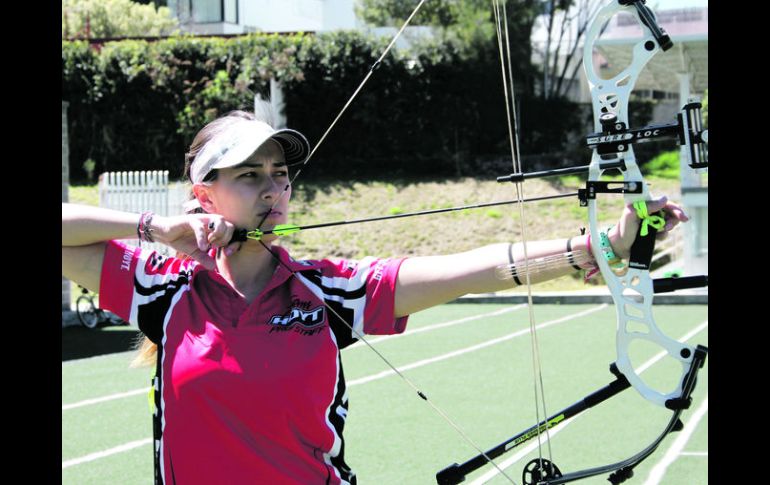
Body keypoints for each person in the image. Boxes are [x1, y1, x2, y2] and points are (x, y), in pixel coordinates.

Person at [61, 106, 689, 485]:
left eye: (279, 174)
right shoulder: (162, 287)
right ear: (205, 196)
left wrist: (601, 244)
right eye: (248, 176)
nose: (272, 189)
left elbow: (474, 270)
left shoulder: (328, 288)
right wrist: (150, 228)